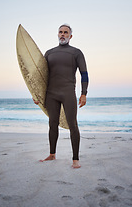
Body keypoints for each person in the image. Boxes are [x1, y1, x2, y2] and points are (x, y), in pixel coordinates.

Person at [33, 24, 89, 168]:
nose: (63, 34)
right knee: (52, 124)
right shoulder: (49, 53)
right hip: (51, 94)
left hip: (68, 92)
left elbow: (84, 74)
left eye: (66, 32)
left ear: (70, 36)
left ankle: (75, 159)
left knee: (73, 124)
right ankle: (52, 154)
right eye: (60, 32)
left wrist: (83, 93)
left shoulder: (76, 53)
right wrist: (37, 94)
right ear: (57, 34)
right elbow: (41, 76)